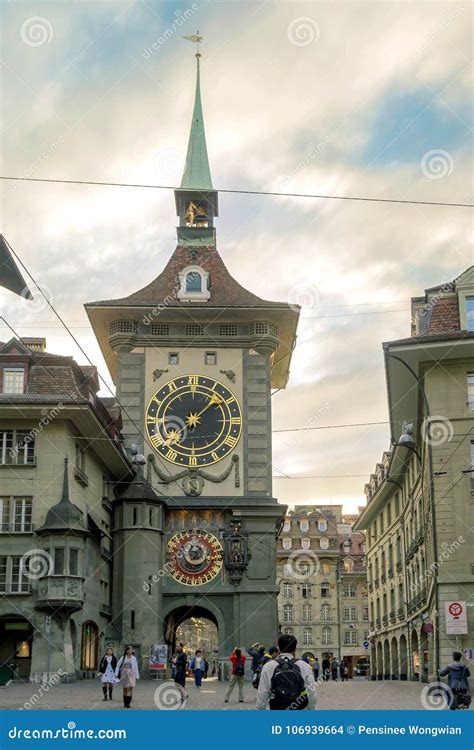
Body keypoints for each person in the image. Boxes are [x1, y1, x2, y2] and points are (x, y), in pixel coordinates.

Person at [256, 634, 317, 711]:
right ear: (295, 648)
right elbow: (311, 694)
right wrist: (311, 709)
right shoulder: (304, 666)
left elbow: (262, 694)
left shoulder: (268, 666)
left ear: (279, 648)